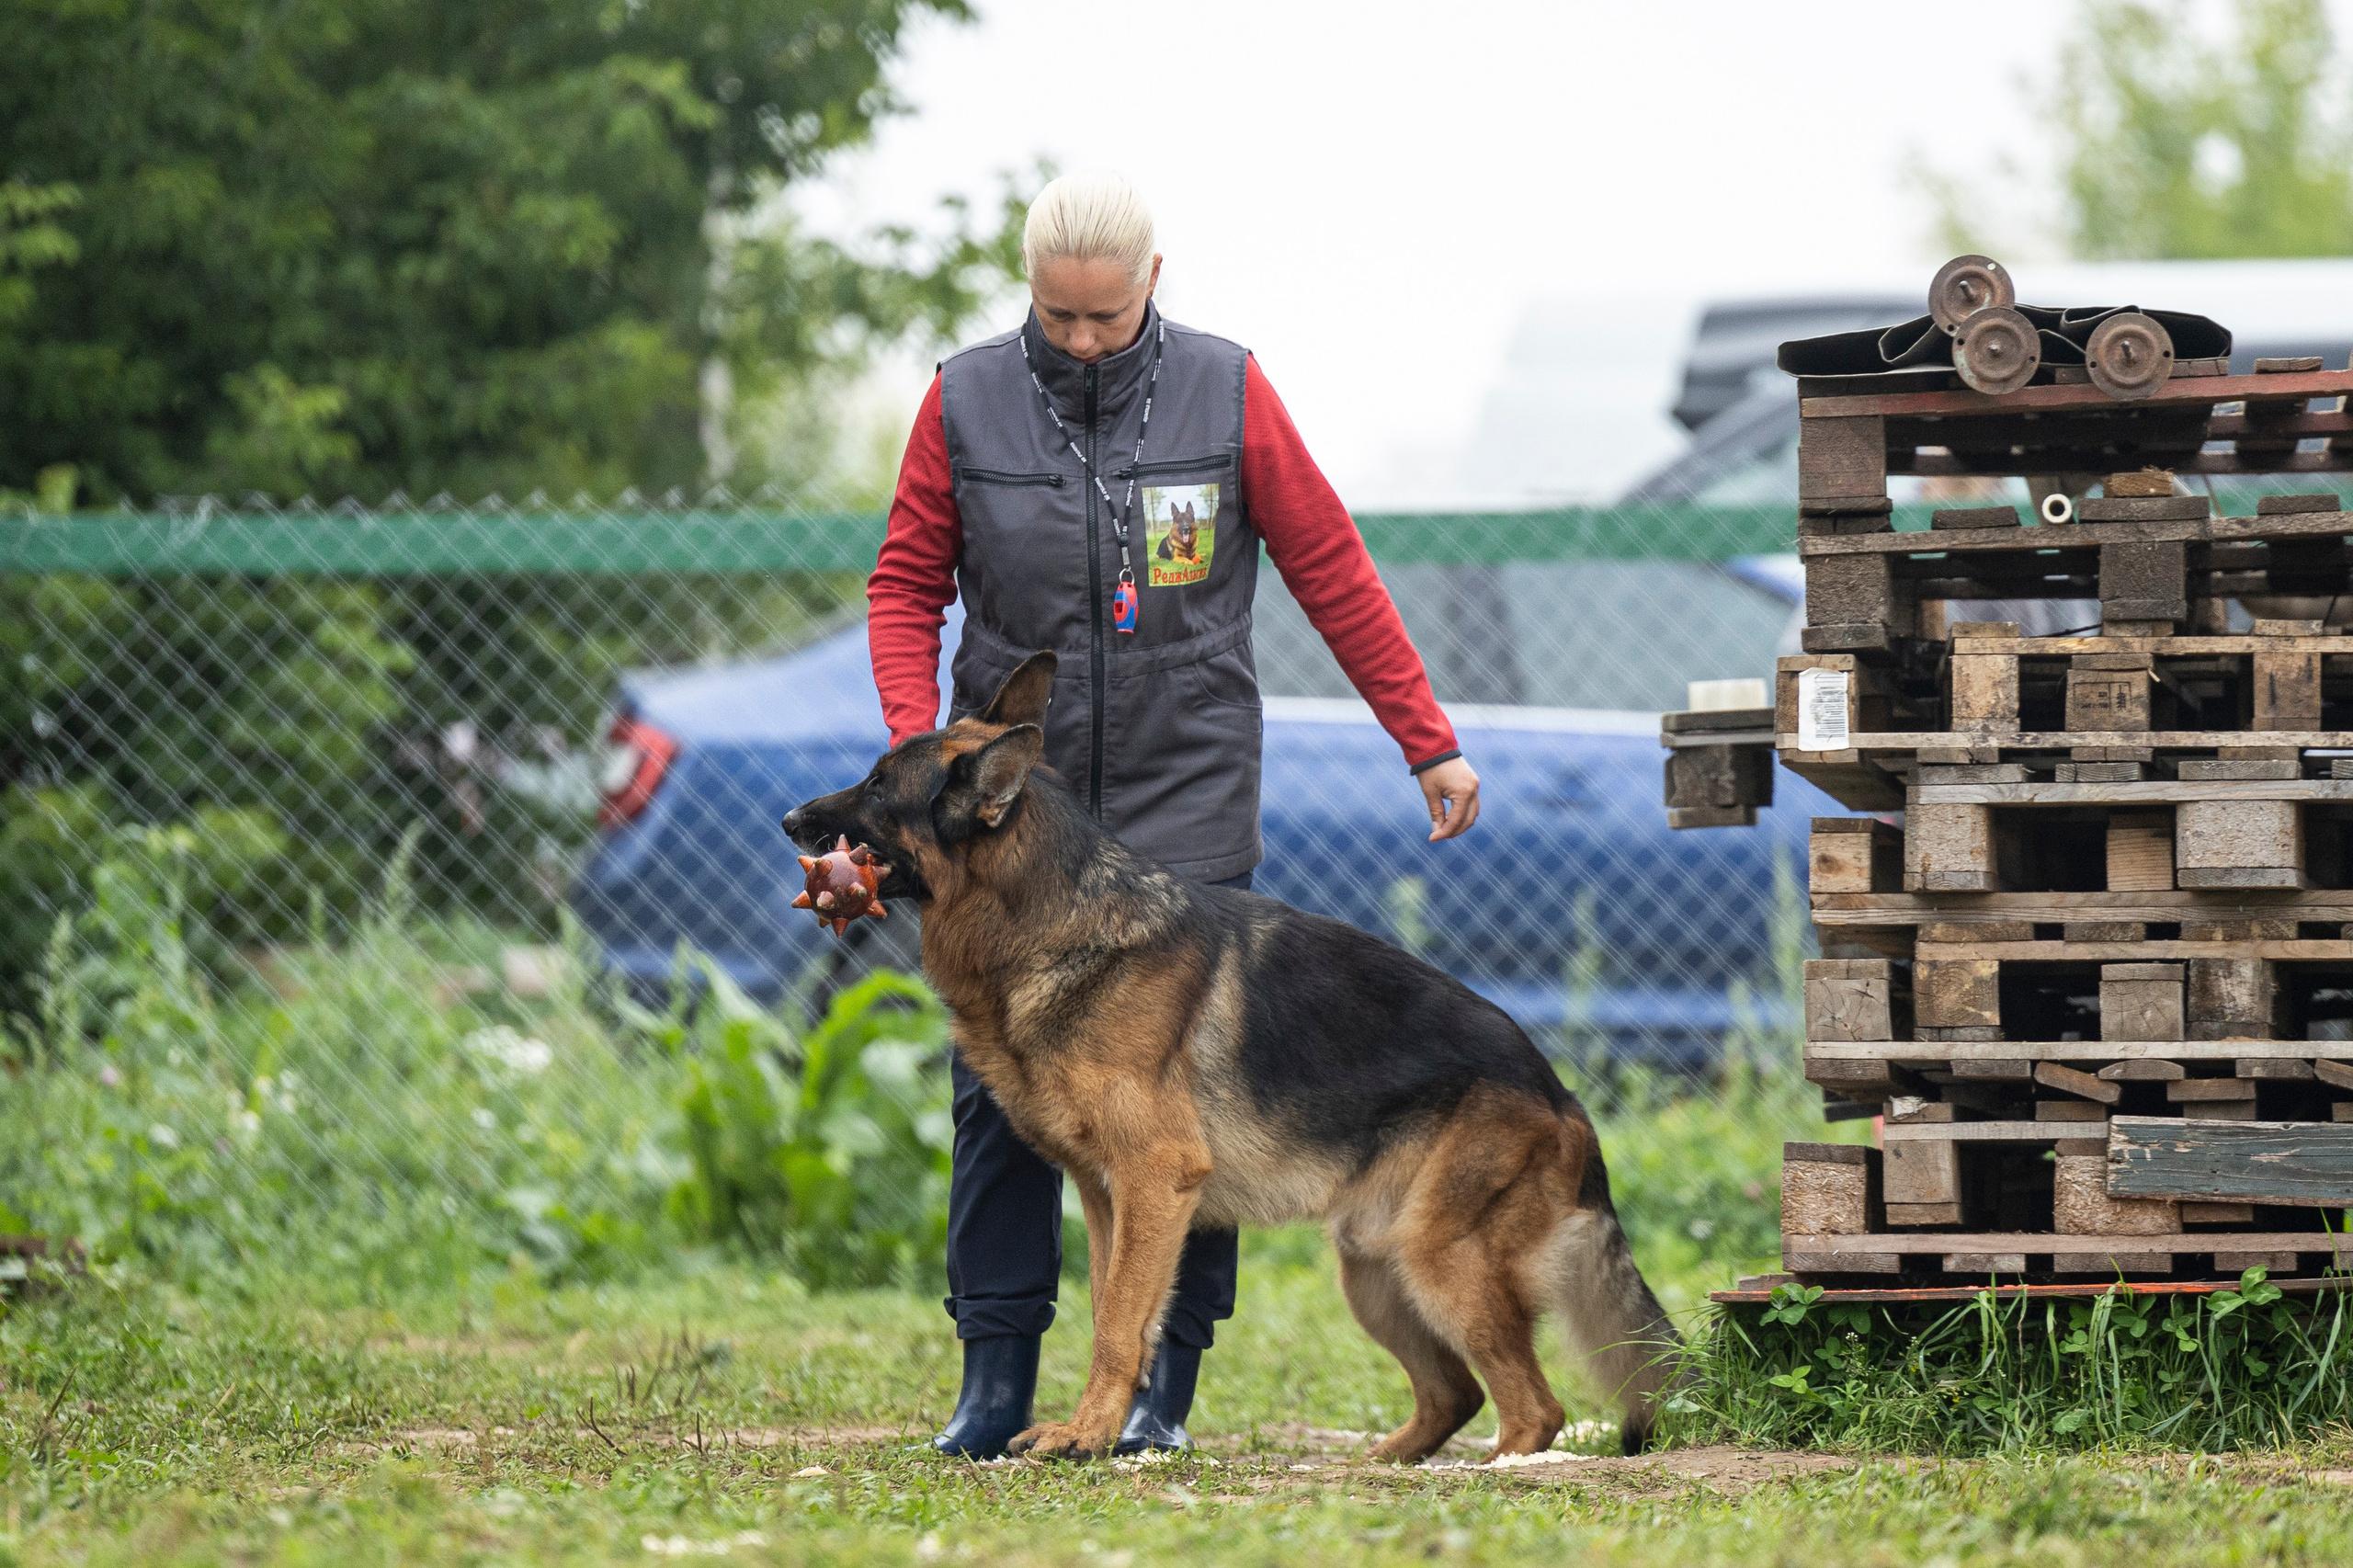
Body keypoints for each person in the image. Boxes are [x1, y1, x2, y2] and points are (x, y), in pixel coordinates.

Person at [866, 169, 1482, 1459]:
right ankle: (993, 1378)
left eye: (1105, 315)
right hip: (1012, 811)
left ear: (1154, 279)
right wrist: (925, 750)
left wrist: (1424, 736)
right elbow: (906, 583)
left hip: (1185, 785)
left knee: (1183, 1101)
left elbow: (1329, 565)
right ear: (1031, 291)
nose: (1083, 339)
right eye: (1059, 316)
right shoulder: (964, 398)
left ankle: (1161, 1393)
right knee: (1001, 1094)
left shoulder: (1228, 388)